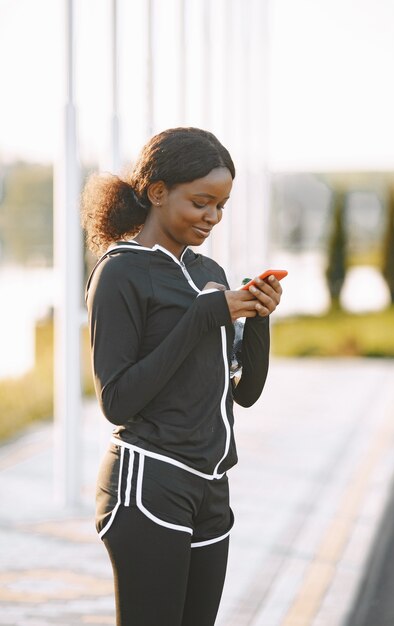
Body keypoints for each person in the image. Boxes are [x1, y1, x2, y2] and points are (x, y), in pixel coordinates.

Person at [81, 127, 282, 626]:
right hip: (148, 483)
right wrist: (203, 316)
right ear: (157, 192)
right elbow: (117, 400)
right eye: (200, 202)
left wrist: (257, 318)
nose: (211, 217)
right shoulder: (120, 272)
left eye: (221, 206)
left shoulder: (207, 269)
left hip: (211, 487)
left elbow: (246, 394)